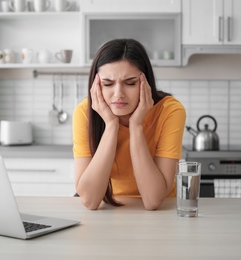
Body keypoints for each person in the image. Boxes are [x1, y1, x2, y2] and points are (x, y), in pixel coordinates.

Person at [72, 39, 186, 210]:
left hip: (163, 214)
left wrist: (136, 125)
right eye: (108, 84)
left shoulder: (170, 111)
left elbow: (153, 200)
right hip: (111, 211)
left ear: (145, 82)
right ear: (96, 85)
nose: (118, 94)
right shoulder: (84, 113)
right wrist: (111, 125)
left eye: (130, 83)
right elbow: (90, 200)